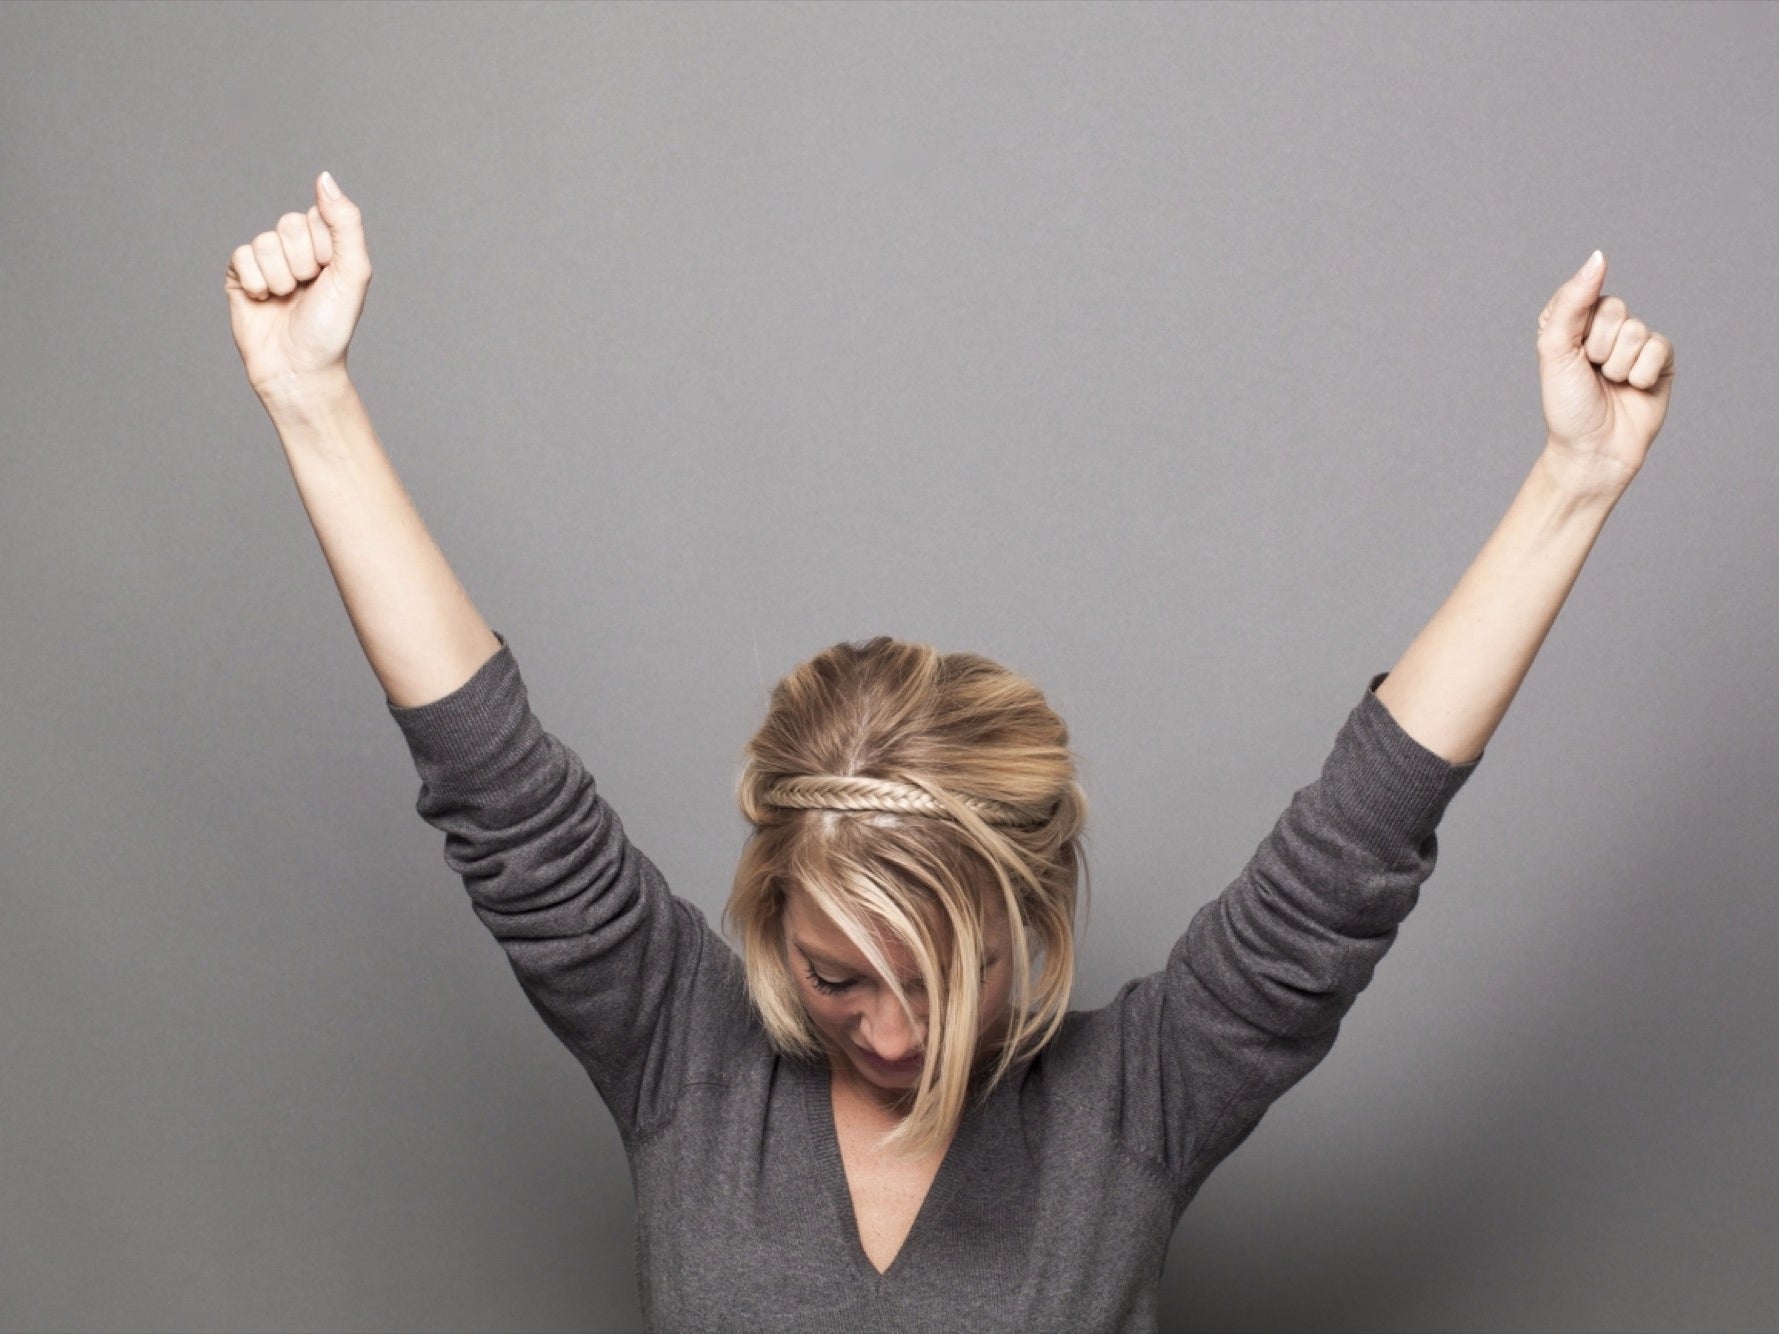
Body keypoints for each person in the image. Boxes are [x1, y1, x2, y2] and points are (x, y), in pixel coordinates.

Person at [225, 172, 1675, 1333]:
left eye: (942, 975)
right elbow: (498, 789)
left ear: (1029, 925)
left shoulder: (1130, 1110)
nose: (893, 1036)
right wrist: (311, 399)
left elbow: (1354, 846)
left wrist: (1576, 479)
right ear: (770, 917)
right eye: (840, 975)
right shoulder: (686, 1061)